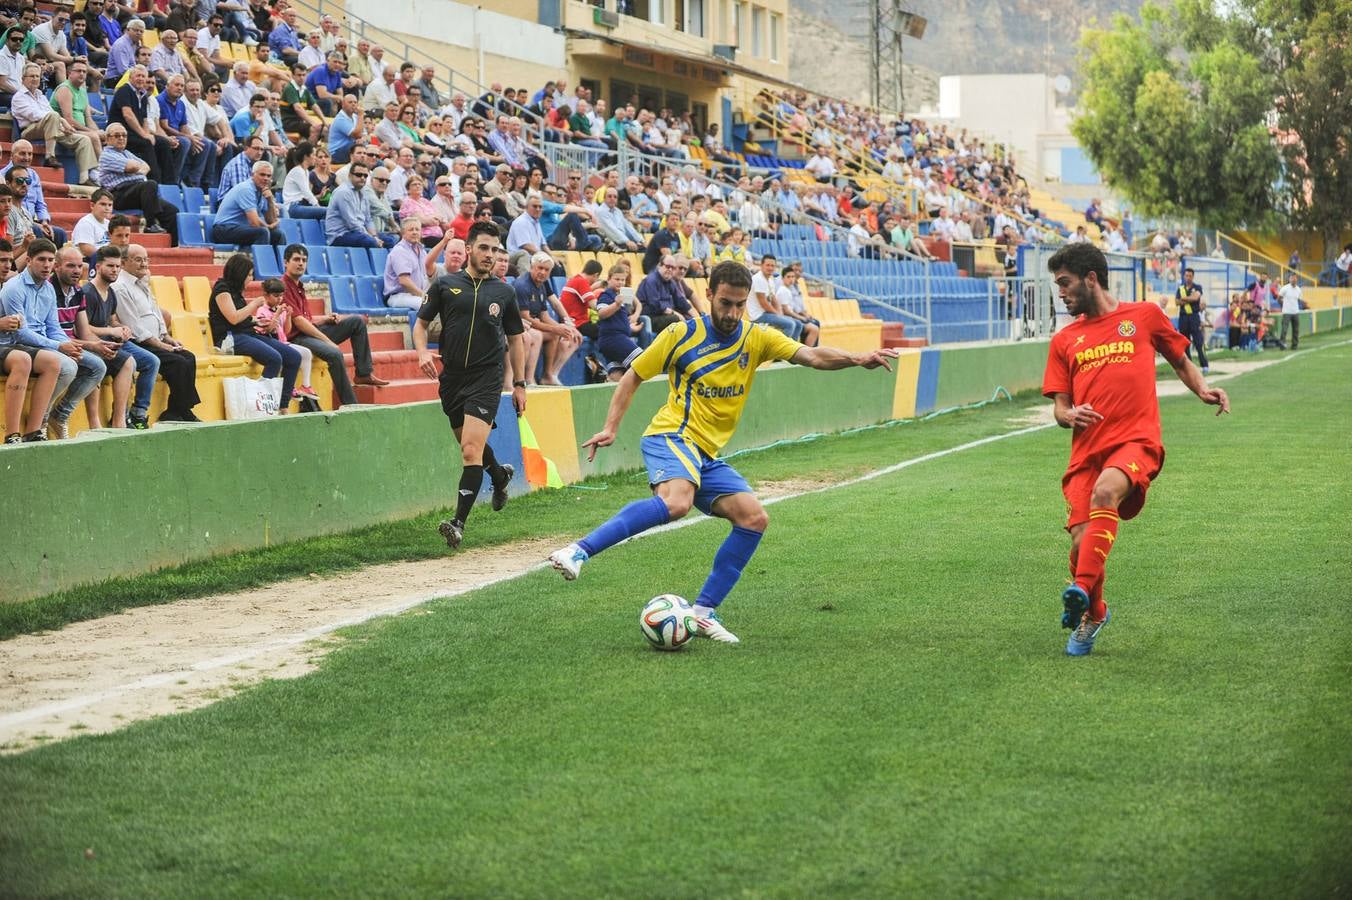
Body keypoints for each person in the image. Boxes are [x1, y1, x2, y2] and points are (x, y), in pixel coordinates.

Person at [547, 261, 899, 643]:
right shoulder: (681, 334)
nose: (732, 313)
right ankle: (577, 552)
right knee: (677, 502)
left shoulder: (757, 337)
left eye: (740, 305)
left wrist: (856, 358)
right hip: (671, 435)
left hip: (703, 452)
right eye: (726, 303)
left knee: (753, 518)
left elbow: (811, 356)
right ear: (710, 295)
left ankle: (702, 613)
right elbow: (633, 376)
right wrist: (611, 427)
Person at [1042, 243, 1229, 657]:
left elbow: (1180, 360)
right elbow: (1059, 408)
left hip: (1136, 441)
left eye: (1065, 283)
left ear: (1091, 278)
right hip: (1085, 454)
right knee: (1080, 545)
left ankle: (1079, 590)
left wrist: (1202, 389)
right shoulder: (1064, 340)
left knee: (1106, 492)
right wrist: (1068, 414)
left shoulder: (1143, 316)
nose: (1061, 292)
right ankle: (1095, 612)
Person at [413, 221, 527, 550]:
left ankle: (457, 523)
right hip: (452, 379)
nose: (490, 255)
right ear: (468, 249)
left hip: (486, 378)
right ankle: (499, 475)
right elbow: (420, 325)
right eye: (484, 248)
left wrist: (520, 384)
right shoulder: (444, 285)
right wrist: (422, 352)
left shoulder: (505, 292)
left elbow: (516, 340)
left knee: (470, 450)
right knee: (470, 446)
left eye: (495, 249)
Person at [0, 239, 101, 440]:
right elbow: (20, 333)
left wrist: (69, 344)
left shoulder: (47, 289)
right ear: (28, 260)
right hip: (17, 344)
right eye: (41, 260)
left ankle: (35, 430)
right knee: (42, 361)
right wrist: (59, 345)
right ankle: (15, 433)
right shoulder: (13, 287)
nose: (47, 265)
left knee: (91, 364)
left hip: (28, 343)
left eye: (50, 260)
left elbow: (53, 327)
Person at [278, 244, 388, 406]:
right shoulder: (284, 286)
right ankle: (351, 404)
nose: (301, 263)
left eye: (304, 260)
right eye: (296, 259)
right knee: (334, 354)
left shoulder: (299, 285)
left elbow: (305, 320)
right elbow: (299, 323)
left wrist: (325, 320)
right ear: (285, 262)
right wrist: (327, 341)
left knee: (356, 322)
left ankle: (364, 373)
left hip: (307, 333)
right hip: (296, 339)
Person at [53, 244, 134, 430]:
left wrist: (103, 342)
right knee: (95, 364)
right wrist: (100, 341)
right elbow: (55, 333)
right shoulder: (80, 291)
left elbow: (88, 330)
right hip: (56, 345)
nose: (76, 270)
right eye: (70, 266)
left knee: (130, 360)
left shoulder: (78, 291)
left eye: (79, 266)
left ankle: (120, 420)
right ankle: (58, 416)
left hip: (74, 342)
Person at [82, 244, 161, 429]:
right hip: (90, 343)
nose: (115, 270)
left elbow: (111, 320)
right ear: (98, 267)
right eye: (110, 266)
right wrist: (111, 331)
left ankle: (120, 421)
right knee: (124, 362)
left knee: (145, 361)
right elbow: (84, 328)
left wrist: (122, 328)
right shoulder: (88, 293)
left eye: (118, 266)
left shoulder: (110, 292)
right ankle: (103, 421)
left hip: (111, 341)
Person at [209, 252, 301, 409]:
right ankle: (260, 405)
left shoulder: (236, 290)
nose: (251, 279)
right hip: (229, 338)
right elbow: (233, 318)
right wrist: (254, 304)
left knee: (293, 357)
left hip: (246, 333)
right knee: (274, 359)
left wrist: (256, 321)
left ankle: (282, 405)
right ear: (240, 274)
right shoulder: (222, 289)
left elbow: (240, 317)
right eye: (249, 275)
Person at [97, 123, 179, 240]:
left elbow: (146, 167)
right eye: (117, 135)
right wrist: (136, 169)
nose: (121, 138)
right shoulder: (106, 155)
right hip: (118, 194)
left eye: (124, 135)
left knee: (172, 211)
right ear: (108, 138)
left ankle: (172, 244)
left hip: (137, 192)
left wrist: (135, 169)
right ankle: (150, 225)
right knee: (150, 185)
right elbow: (133, 166)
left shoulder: (126, 153)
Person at [514, 251, 581, 386]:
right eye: (540, 268)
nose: (543, 272)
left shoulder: (542, 284)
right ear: (531, 267)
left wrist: (564, 327)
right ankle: (529, 379)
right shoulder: (522, 285)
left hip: (533, 324)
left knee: (559, 334)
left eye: (546, 270)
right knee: (539, 335)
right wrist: (556, 328)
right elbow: (526, 318)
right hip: (520, 325)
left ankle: (548, 375)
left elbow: (544, 315)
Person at [211, 158, 284, 247]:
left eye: (269, 176)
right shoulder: (246, 189)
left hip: (242, 229)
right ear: (252, 175)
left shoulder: (264, 190)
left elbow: (271, 221)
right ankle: (260, 256)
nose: (266, 178)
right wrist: (268, 226)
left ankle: (280, 257)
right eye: (262, 175)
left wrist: (270, 201)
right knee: (262, 232)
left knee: (278, 235)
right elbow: (255, 223)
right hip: (224, 229)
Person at [384, 218, 429, 311]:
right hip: (398, 296)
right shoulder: (400, 251)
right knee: (428, 305)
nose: (414, 232)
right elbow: (404, 281)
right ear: (403, 233)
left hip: (416, 295)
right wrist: (424, 295)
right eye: (411, 230)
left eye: (417, 229)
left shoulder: (422, 251)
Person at [1174, 267, 1208, 374]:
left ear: (1193, 277)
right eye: (1186, 275)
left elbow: (1195, 298)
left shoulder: (1197, 287)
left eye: (1190, 276)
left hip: (1194, 317)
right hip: (1183, 317)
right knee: (1185, 343)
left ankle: (1204, 365)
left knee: (1198, 342)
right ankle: (1189, 367)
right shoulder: (1180, 288)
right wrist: (1190, 298)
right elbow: (1177, 302)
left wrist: (1184, 299)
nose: (1188, 277)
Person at [1276, 271, 1302, 350]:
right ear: (1289, 279)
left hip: (1295, 312)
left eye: (1295, 278)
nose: (1293, 279)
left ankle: (1294, 345)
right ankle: (1282, 345)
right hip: (1287, 312)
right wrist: (1283, 305)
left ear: (1297, 279)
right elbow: (1279, 298)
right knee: (1284, 329)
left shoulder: (1298, 289)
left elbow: (1298, 300)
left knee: (1296, 330)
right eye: (1292, 278)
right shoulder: (1285, 288)